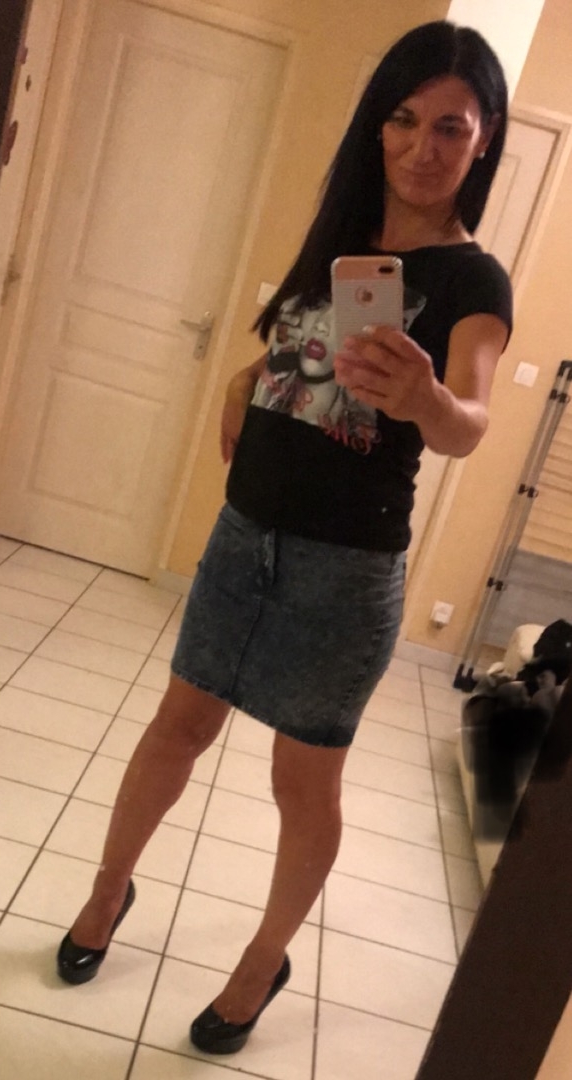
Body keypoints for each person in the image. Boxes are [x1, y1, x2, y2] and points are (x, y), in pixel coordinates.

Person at [56, 19, 512, 1055]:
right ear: (377, 124)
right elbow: (296, 354)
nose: (421, 146)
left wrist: (426, 399)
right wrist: (237, 379)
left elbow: (470, 424)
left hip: (344, 573)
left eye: (450, 127)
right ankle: (108, 891)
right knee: (175, 727)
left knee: (301, 781)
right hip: (242, 536)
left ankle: (264, 960)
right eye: (403, 119)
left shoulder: (473, 280)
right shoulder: (341, 233)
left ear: (482, 139)